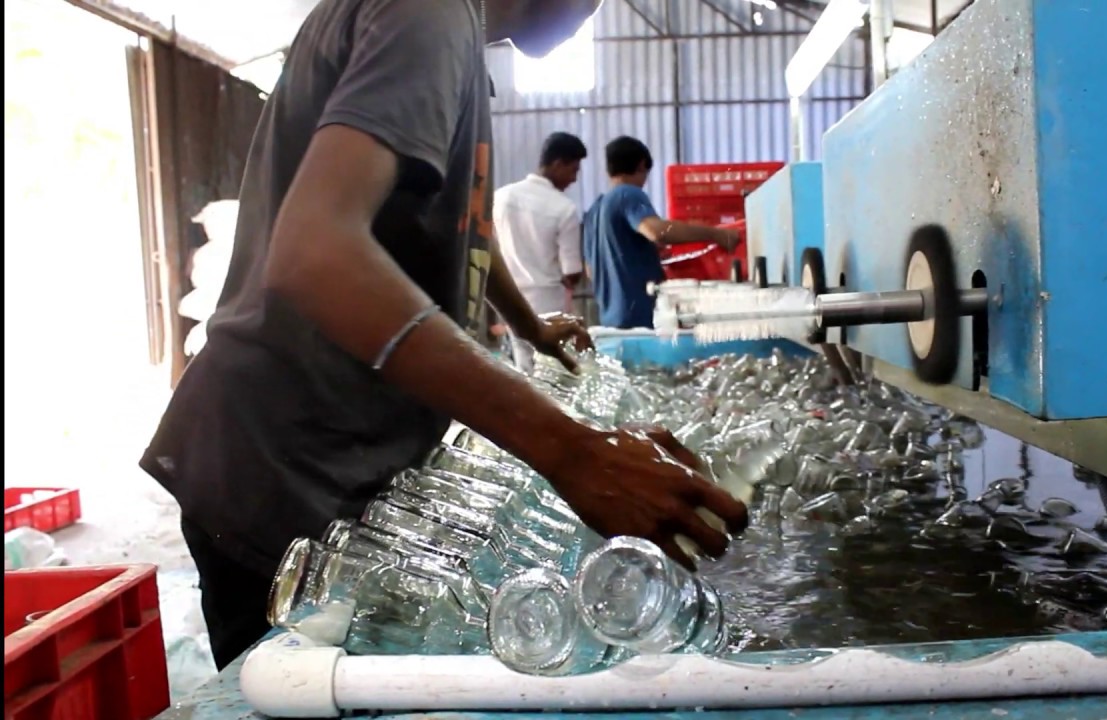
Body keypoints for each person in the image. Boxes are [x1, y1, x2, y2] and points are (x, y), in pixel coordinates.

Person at [139, 0, 748, 671]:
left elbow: (460, 223)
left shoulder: (447, 36)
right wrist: (574, 452)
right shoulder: (425, 12)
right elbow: (317, 252)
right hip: (287, 459)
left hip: (325, 445)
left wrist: (529, 327)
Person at [583, 136, 741, 329]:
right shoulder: (628, 193)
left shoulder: (594, 211)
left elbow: (591, 270)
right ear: (641, 166)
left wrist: (643, 254)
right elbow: (657, 231)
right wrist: (717, 234)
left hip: (610, 323)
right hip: (638, 320)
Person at [493, 132, 589, 372]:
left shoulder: (501, 197)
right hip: (548, 302)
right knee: (553, 373)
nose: (573, 179)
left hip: (507, 297)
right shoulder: (563, 208)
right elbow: (572, 272)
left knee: (523, 369)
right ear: (558, 164)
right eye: (573, 171)